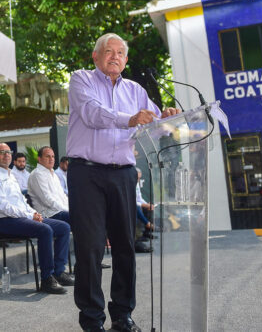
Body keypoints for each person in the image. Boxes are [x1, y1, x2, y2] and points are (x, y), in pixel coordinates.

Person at [66, 33, 179, 332]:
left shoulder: (136, 90)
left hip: (124, 173)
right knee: (90, 248)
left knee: (125, 246)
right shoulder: (81, 80)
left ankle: (122, 314)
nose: (114, 56)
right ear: (95, 56)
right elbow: (92, 114)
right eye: (108, 51)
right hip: (87, 173)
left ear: (126, 60)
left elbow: (153, 129)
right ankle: (92, 319)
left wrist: (167, 119)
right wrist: (129, 119)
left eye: (120, 53)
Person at [0, 142, 74, 294]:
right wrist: (30, 215)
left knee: (64, 227)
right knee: (45, 230)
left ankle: (59, 272)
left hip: (23, 217)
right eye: (2, 152)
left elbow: (22, 202)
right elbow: (2, 206)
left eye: (8, 151)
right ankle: (46, 279)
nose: (6, 154)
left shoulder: (10, 175)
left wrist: (33, 213)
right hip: (7, 221)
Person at [27, 146, 70, 223]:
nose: (51, 159)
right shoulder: (37, 174)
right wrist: (67, 210)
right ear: (39, 159)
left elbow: (62, 196)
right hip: (49, 214)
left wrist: (70, 208)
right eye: (48, 156)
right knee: (79, 217)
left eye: (53, 156)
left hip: (59, 210)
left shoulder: (53, 173)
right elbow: (47, 200)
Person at [135, 169, 155, 239]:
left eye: (139, 178)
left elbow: (139, 198)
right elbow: (132, 201)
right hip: (130, 206)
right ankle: (147, 224)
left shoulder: (137, 184)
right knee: (136, 207)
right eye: (137, 178)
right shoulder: (128, 184)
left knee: (149, 207)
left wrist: (147, 205)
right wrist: (144, 205)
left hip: (136, 204)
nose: (138, 180)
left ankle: (147, 232)